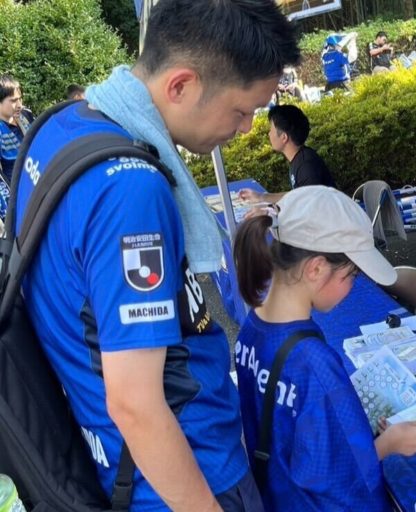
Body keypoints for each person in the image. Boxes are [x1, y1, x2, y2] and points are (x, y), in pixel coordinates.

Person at [13, 0, 300, 510]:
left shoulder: (62, 125)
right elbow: (135, 403)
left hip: (115, 460)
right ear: (181, 85)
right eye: (242, 110)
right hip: (186, 477)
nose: (247, 128)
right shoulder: (131, 191)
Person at [233, 185, 416, 510]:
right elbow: (335, 477)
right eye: (352, 274)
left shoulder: (250, 328)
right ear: (315, 268)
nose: (353, 287)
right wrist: (389, 443)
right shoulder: (314, 361)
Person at [239, 104, 335, 210]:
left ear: (284, 137)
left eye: (271, 129)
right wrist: (261, 197)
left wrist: (269, 211)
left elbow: (308, 207)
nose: (269, 134)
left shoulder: (306, 166)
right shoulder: (300, 159)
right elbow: (296, 196)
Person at [0, 74, 35, 185]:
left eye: (20, 99)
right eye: (13, 101)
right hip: (17, 189)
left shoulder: (25, 115)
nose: (19, 105)